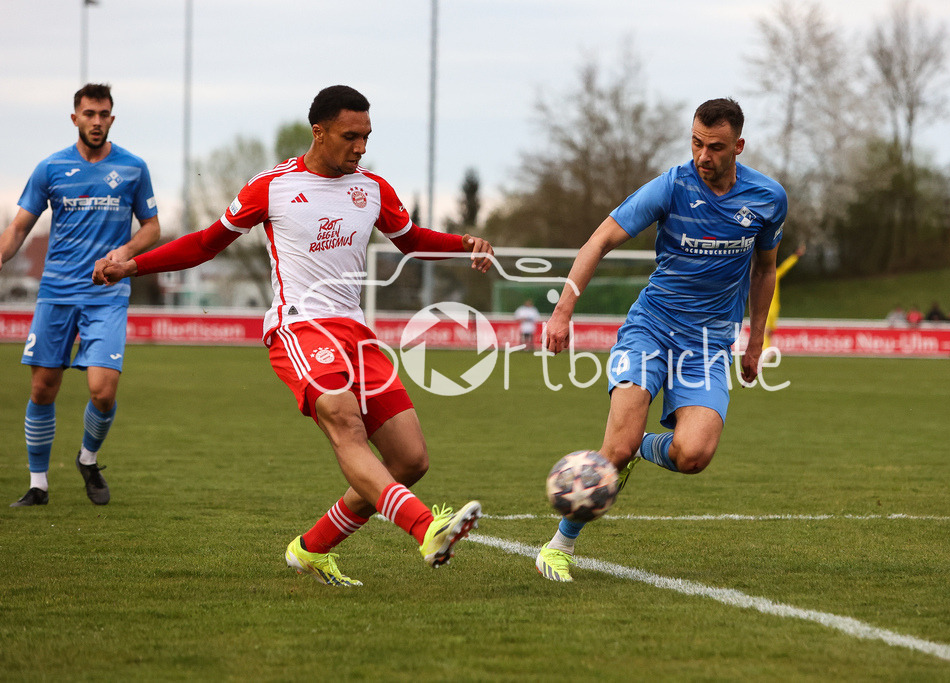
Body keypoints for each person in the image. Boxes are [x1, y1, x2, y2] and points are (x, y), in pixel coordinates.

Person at [95, 85, 491, 587]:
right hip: (300, 326)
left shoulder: (373, 188)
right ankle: (424, 528)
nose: (361, 147)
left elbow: (410, 240)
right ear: (319, 132)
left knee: (410, 460)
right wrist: (133, 265)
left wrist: (464, 243)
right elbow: (204, 244)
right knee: (344, 422)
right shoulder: (272, 186)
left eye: (367, 137)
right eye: (351, 136)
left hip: (357, 332)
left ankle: (312, 549)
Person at [535, 98, 786, 582]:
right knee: (618, 442)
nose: (702, 155)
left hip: (710, 344)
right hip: (651, 327)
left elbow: (766, 268)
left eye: (714, 147)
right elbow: (600, 239)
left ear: (738, 146)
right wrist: (563, 309)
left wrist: (755, 343)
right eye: (695, 142)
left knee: (694, 456)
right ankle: (558, 546)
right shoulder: (672, 186)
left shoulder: (768, 198)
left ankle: (633, 452)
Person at [1, 83, 161, 508]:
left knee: (102, 391)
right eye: (88, 113)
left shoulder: (132, 167)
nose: (96, 121)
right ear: (75, 118)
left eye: (103, 113)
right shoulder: (50, 168)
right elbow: (19, 227)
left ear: (112, 118)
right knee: (42, 389)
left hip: (107, 292)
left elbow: (152, 227)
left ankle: (87, 459)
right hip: (56, 291)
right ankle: (38, 486)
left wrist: (124, 252)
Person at [764, 243, 804, 348]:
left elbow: (785, 266)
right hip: (764, 307)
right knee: (765, 330)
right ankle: (764, 351)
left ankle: (767, 349)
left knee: (770, 331)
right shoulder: (758, 277)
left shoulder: (775, 275)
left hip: (775, 307)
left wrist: (796, 256)